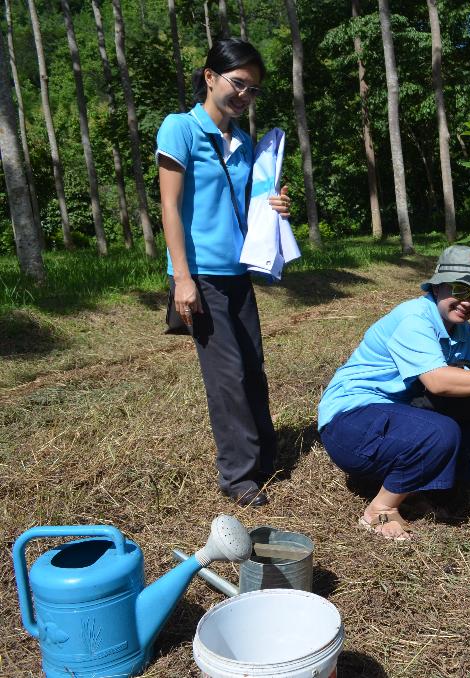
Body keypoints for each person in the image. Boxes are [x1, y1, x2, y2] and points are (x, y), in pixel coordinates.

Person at [317, 246, 470, 541]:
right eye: (460, 289)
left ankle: (416, 492)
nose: (468, 302)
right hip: (351, 423)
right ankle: (379, 510)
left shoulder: (462, 330)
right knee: (440, 432)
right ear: (437, 284)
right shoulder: (414, 318)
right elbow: (438, 382)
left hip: (397, 417)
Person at [156, 38, 292, 508]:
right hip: (202, 275)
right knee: (227, 375)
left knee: (252, 367)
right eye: (238, 83)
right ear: (210, 76)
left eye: (252, 90)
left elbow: (249, 206)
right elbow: (170, 207)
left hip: (239, 272)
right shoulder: (180, 129)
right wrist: (182, 278)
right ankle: (237, 477)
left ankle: (265, 459)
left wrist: (277, 205)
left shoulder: (245, 141)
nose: (244, 96)